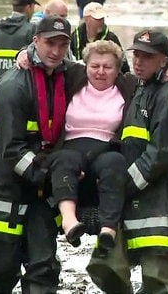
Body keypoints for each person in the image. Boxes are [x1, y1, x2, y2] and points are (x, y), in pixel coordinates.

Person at [87, 29, 168, 293]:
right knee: (104, 265)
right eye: (136, 54)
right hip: (132, 196)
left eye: (147, 57)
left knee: (157, 280)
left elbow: (160, 155)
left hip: (164, 201)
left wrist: (122, 187)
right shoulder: (138, 88)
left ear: (163, 60)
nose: (139, 61)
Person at [0, 15, 72, 294]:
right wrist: (51, 179)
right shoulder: (13, 87)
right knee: (0, 269)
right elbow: (11, 148)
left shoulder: (67, 76)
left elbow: (110, 74)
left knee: (43, 265)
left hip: (40, 188)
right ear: (35, 41)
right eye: (50, 43)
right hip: (4, 188)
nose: (55, 51)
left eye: (62, 45)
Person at [44, 40, 136, 251]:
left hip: (105, 151)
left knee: (115, 162)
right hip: (71, 149)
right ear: (85, 66)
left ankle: (108, 230)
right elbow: (44, 57)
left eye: (108, 67)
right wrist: (23, 54)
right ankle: (69, 221)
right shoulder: (73, 76)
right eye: (95, 66)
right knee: (65, 160)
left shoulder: (128, 85)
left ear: (118, 69)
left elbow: (154, 73)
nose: (100, 72)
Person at [71, 2, 130, 73]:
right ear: (87, 19)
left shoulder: (111, 38)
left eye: (102, 18)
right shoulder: (74, 37)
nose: (101, 22)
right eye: (98, 19)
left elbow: (124, 66)